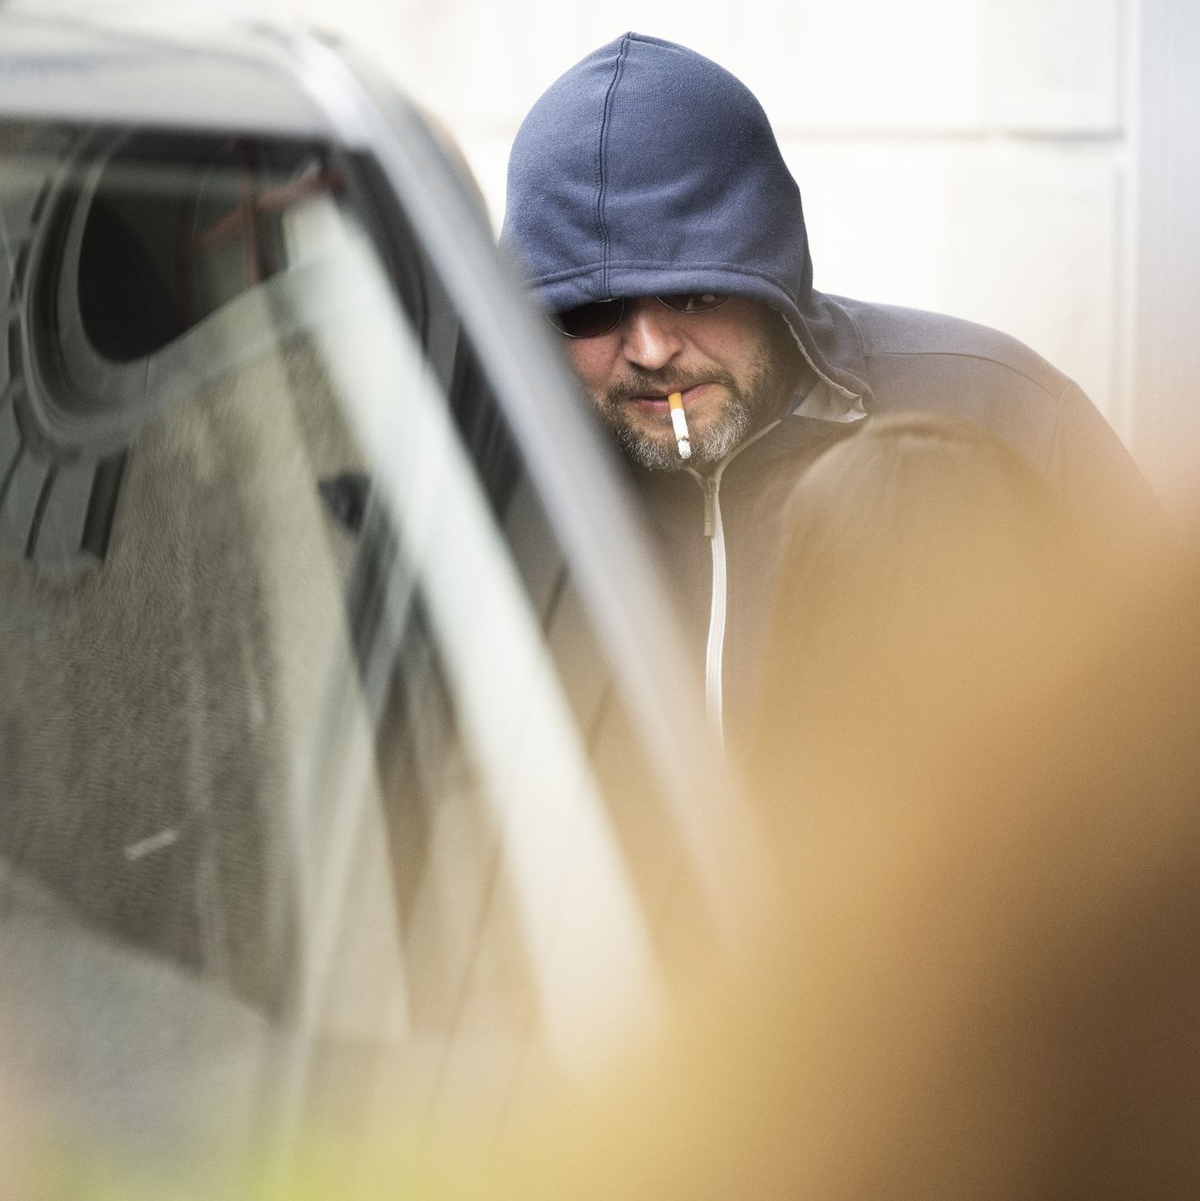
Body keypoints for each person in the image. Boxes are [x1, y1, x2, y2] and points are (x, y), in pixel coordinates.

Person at [499, 32, 1158, 744]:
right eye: (589, 309)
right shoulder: (488, 483)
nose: (651, 350)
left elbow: (1158, 732)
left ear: (770, 273)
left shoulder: (1004, 415)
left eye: (694, 293)